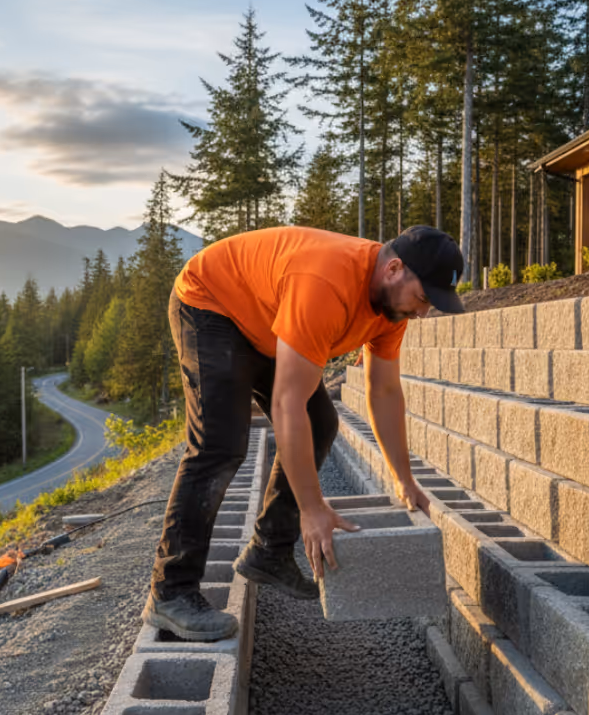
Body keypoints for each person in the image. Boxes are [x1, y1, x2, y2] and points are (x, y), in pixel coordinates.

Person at [144, 224, 466, 640]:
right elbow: (285, 404)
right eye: (423, 299)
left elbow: (384, 391)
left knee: (322, 423)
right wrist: (313, 510)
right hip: (211, 302)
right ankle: (171, 591)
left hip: (265, 319)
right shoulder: (326, 283)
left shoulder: (391, 309)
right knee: (219, 443)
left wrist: (404, 479)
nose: (422, 313)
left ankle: (269, 551)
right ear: (394, 269)